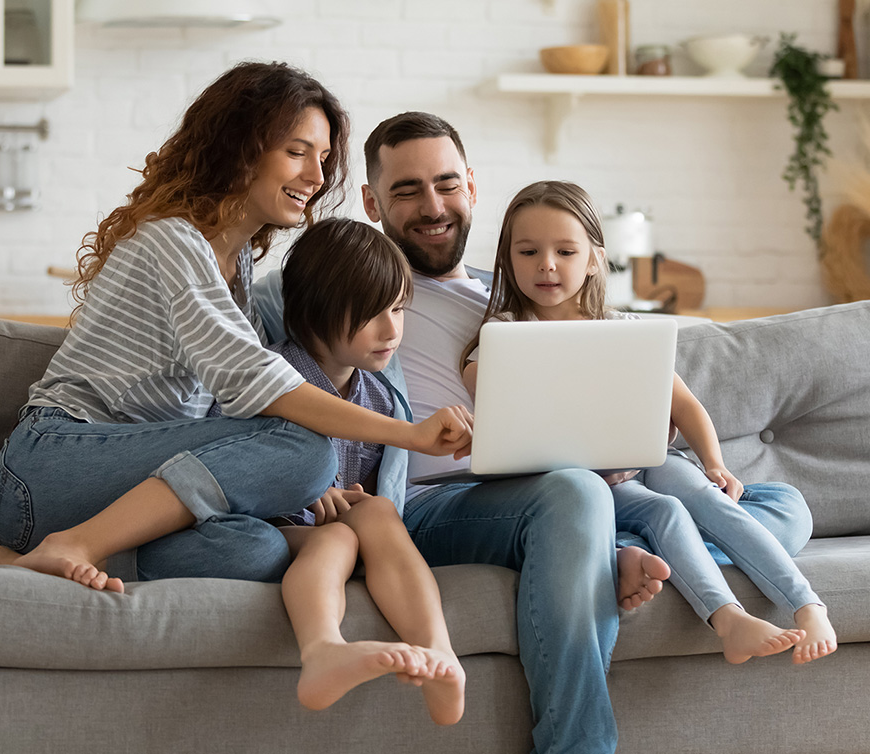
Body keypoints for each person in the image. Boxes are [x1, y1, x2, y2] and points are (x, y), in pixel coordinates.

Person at [0, 63, 472, 600]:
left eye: (322, 157)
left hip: (125, 490)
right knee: (307, 449)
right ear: (241, 150)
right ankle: (73, 544)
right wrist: (411, 436)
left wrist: (286, 483)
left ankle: (11, 562)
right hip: (51, 469)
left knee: (259, 549)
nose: (317, 177)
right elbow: (259, 386)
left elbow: (233, 419)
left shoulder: (237, 267)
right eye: (298, 152)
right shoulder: (174, 241)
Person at [347, 111, 818, 754]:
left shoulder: (514, 298)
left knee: (782, 508)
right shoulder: (359, 290)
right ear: (372, 202)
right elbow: (285, 372)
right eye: (407, 190)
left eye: (446, 184)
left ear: (473, 189)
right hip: (443, 503)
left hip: (562, 490)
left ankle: (614, 549)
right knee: (579, 491)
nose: (433, 205)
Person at [460, 179, 836, 667]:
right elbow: (494, 409)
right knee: (668, 513)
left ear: (594, 258)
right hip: (588, 486)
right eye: (528, 251)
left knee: (711, 497)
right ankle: (728, 618)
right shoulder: (504, 338)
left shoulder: (623, 329)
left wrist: (715, 464)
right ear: (508, 260)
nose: (546, 264)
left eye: (565, 251)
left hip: (649, 459)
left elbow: (687, 407)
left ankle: (808, 605)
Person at [256, 216, 464, 724]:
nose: (392, 330)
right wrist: (303, 491)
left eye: (397, 309)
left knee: (378, 515)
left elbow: (371, 485)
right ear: (313, 314)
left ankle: (440, 654)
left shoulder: (379, 396)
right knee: (340, 541)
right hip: (274, 527)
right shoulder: (270, 379)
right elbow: (231, 462)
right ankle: (323, 649)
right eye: (371, 315)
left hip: (341, 524)